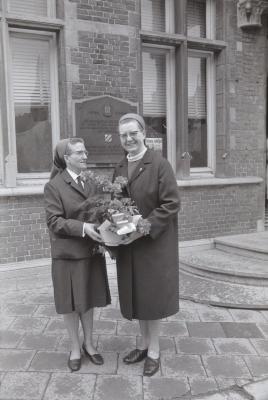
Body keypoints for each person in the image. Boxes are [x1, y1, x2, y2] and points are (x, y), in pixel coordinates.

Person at [114, 113, 180, 376]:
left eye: (133, 133)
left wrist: (143, 229)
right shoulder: (119, 167)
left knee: (151, 298)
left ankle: (154, 349)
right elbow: (115, 203)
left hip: (152, 244)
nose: (129, 139)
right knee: (137, 295)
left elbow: (171, 204)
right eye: (123, 135)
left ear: (143, 133)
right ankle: (143, 344)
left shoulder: (159, 164)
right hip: (129, 244)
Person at [44, 138, 111, 372]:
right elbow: (54, 221)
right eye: (79, 153)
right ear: (66, 158)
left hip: (91, 252)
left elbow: (100, 211)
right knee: (71, 303)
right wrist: (84, 228)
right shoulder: (54, 186)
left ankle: (90, 345)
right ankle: (75, 348)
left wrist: (112, 224)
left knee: (88, 300)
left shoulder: (91, 181)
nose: (85, 156)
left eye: (85, 151)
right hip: (68, 255)